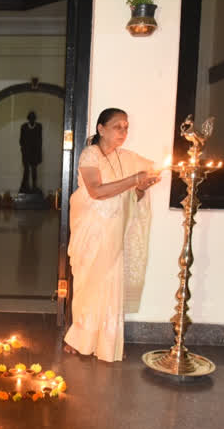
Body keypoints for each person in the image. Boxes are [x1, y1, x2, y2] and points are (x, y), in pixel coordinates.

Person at [63, 108, 161, 362]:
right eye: (118, 126)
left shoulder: (124, 158)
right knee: (89, 286)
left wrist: (140, 187)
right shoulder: (89, 155)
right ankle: (79, 339)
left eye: (126, 127)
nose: (123, 132)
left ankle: (107, 342)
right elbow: (95, 191)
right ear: (101, 129)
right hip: (92, 232)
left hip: (114, 232)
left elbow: (132, 196)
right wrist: (133, 179)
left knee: (109, 286)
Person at [19, 111, 43, 193]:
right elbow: (21, 141)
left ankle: (34, 186)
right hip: (26, 152)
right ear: (28, 119)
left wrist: (39, 154)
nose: (32, 120)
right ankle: (25, 186)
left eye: (33, 118)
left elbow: (40, 141)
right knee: (26, 170)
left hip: (35, 152)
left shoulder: (39, 127)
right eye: (30, 118)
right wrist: (24, 150)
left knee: (34, 170)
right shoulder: (24, 127)